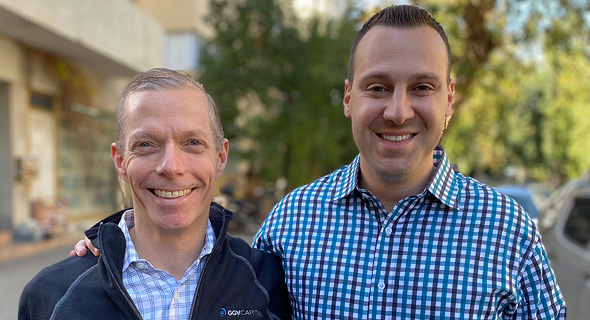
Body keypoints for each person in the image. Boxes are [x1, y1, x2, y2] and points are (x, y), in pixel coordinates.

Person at [72, 5, 567, 319]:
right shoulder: (291, 224)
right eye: (378, 87)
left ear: (449, 99)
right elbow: (209, 269)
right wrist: (113, 247)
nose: (398, 110)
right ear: (349, 97)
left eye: (422, 87)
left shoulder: (509, 233)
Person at [19, 68, 290, 320]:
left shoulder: (268, 282)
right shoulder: (51, 295)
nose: (171, 167)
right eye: (146, 144)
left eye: (193, 143)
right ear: (120, 161)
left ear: (220, 157)